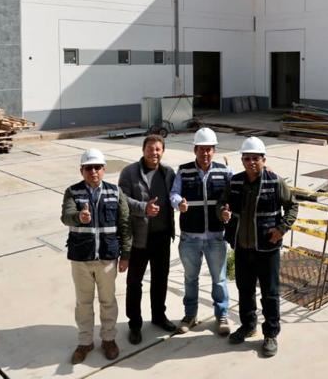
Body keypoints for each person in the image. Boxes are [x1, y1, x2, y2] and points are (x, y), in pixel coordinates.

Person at [219, 136, 298, 358]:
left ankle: (270, 334)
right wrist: (222, 213)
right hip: (242, 248)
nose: (251, 162)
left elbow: (293, 206)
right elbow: (221, 205)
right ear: (242, 160)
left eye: (255, 158)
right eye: (247, 158)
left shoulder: (275, 182)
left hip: (267, 249)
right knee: (245, 291)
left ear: (264, 159)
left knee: (270, 294)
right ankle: (248, 326)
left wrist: (281, 229)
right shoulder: (234, 182)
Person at [60, 148, 131, 364]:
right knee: (83, 302)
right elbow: (65, 217)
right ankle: (85, 342)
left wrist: (126, 254)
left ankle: (108, 339)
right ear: (81, 170)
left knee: (108, 300)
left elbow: (125, 224)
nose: (93, 172)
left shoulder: (115, 192)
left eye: (97, 167)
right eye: (88, 168)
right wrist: (78, 217)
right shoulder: (72, 192)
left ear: (104, 169)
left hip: (107, 258)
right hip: (81, 258)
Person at [169, 127, 232, 336]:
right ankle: (190, 315)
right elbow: (174, 193)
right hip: (190, 238)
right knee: (190, 278)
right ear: (195, 149)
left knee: (219, 279)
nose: (205, 153)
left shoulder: (224, 172)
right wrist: (179, 204)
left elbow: (233, 197)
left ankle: (221, 315)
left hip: (215, 237)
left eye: (209, 149)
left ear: (214, 150)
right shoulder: (184, 171)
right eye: (201, 149)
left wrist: (227, 212)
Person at [117, 134, 178, 344]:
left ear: (163, 151)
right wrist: (144, 208)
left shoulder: (169, 173)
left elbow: (180, 191)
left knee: (161, 280)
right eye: (151, 149)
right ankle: (135, 324)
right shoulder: (130, 172)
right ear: (143, 150)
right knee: (134, 282)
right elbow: (121, 199)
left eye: (158, 149)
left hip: (162, 237)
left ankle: (159, 316)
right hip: (139, 239)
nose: (154, 153)